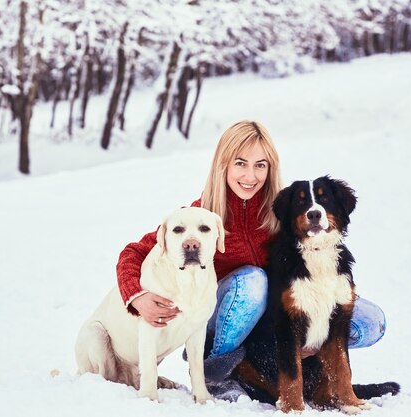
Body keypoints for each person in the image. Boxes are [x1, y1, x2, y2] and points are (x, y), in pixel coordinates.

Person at [116, 120, 387, 400]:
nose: (250, 175)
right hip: (220, 315)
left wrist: (316, 322)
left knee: (369, 321)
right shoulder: (202, 216)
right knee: (252, 281)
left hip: (276, 315)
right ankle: (217, 372)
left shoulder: (282, 211)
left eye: (260, 165)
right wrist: (135, 296)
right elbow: (133, 253)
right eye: (240, 163)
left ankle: (300, 369)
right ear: (223, 165)